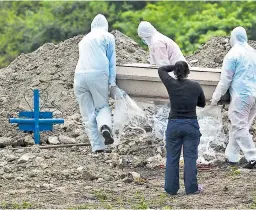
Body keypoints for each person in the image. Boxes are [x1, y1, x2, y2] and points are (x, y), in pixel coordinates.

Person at [211, 26, 256, 169]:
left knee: (238, 126)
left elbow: (225, 80)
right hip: (254, 95)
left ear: (233, 37)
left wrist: (216, 97)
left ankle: (253, 157)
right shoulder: (254, 53)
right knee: (240, 127)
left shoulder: (233, 54)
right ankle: (232, 156)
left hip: (242, 96)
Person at [158, 61, 206, 195]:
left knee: (172, 157)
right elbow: (202, 104)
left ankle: (171, 189)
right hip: (191, 124)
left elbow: (161, 69)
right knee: (190, 157)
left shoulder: (171, 84)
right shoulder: (195, 85)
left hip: (174, 124)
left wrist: (175, 67)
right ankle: (192, 188)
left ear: (175, 72)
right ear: (188, 72)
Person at [74, 14, 117, 153]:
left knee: (87, 112)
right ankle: (104, 126)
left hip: (79, 76)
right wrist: (112, 82)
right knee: (102, 106)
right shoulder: (108, 37)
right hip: (98, 74)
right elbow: (111, 62)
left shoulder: (84, 40)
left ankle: (97, 147)